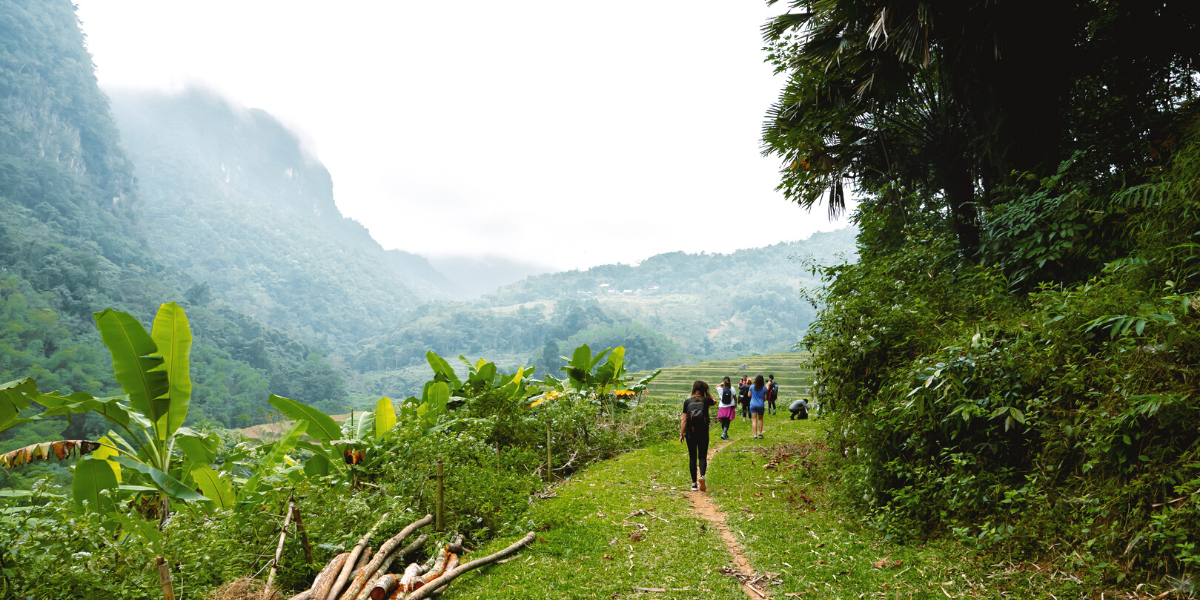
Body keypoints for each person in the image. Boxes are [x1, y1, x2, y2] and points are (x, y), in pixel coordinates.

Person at [679, 380, 716, 491]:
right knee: (702, 456)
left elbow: (684, 420)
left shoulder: (687, 401)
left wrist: (681, 434)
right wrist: (707, 392)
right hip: (703, 432)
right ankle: (702, 476)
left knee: (692, 457)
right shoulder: (706, 400)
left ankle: (694, 484)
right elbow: (715, 401)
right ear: (703, 390)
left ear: (694, 388)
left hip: (691, 433)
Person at [748, 374, 768, 439]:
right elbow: (765, 398)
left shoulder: (752, 386)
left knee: (754, 420)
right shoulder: (764, 388)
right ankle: (760, 433)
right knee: (760, 419)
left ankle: (755, 435)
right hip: (761, 405)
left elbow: (749, 395)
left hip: (753, 405)